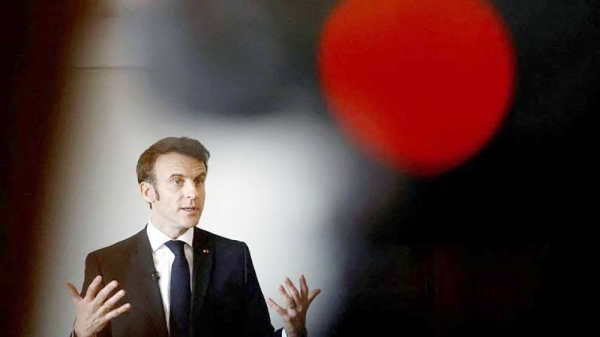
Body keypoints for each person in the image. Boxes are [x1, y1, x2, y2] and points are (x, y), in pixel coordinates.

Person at [65, 136, 321, 337]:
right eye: (177, 181)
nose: (193, 193)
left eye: (199, 180)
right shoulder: (107, 263)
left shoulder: (234, 255)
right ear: (147, 192)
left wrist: (293, 332)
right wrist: (82, 333)